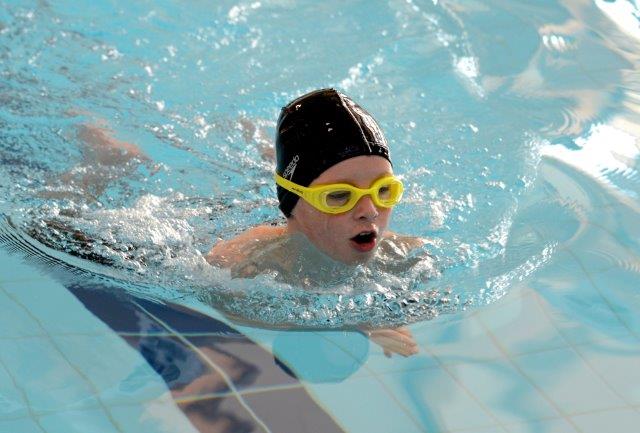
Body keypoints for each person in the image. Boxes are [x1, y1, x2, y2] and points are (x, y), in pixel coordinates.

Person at [206, 88, 421, 357]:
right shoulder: (242, 263)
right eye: (340, 196)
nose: (370, 212)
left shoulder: (405, 255)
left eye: (384, 190)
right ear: (292, 203)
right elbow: (231, 313)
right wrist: (357, 323)